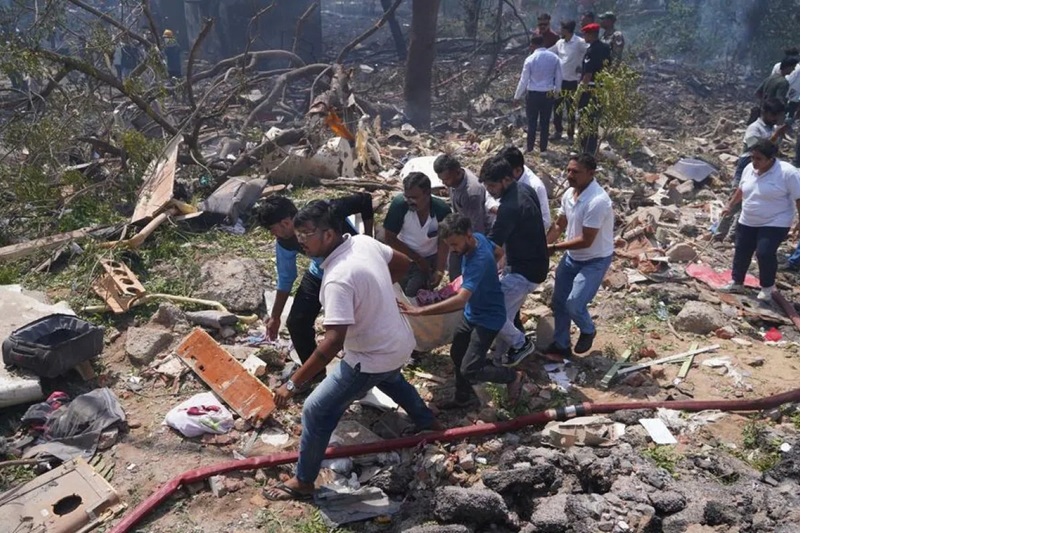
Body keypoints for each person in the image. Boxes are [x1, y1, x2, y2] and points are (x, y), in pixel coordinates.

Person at [262, 200, 439, 502]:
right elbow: (401, 264)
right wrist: (374, 288)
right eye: (299, 234)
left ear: (329, 234)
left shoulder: (337, 279)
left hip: (370, 356)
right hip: (399, 342)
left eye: (306, 234)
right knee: (390, 378)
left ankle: (304, 481)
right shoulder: (362, 242)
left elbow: (332, 342)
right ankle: (427, 421)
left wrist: (293, 384)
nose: (300, 240)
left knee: (316, 410)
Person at [399, 214, 526, 410]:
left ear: (467, 235)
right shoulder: (479, 238)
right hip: (472, 313)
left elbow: (460, 299)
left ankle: (512, 376)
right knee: (457, 353)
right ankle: (463, 397)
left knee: (470, 369)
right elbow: (499, 252)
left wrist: (419, 311)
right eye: (449, 245)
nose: (453, 250)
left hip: (488, 319)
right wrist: (491, 277)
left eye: (455, 244)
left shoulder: (478, 260)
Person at [254, 194, 374, 371]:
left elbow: (364, 200)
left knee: (354, 326)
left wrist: (369, 238)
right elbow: (286, 277)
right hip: (320, 273)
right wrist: (275, 316)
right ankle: (313, 375)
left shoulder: (324, 212)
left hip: (353, 271)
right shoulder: (285, 242)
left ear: (286, 223)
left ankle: (363, 370)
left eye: (273, 229)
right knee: (297, 322)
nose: (273, 235)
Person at [544, 153, 614, 360]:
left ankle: (588, 329)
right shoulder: (569, 194)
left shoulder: (597, 201)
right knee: (559, 301)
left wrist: (555, 247)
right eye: (568, 170)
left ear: (591, 174)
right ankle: (561, 344)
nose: (569, 175)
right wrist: (544, 244)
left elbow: (586, 240)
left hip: (594, 259)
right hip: (572, 257)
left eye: (575, 172)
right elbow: (560, 224)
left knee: (574, 303)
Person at [479, 157, 547, 366]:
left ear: (506, 180)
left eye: (492, 185)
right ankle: (500, 358)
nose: (489, 191)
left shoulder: (509, 207)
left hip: (523, 271)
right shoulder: (525, 189)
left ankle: (521, 344)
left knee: (492, 313)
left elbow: (493, 247)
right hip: (534, 263)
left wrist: (475, 274)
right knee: (505, 314)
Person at [718, 139, 800, 300]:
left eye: (758, 159)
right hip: (748, 218)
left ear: (771, 159)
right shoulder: (749, 169)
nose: (754, 162)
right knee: (742, 251)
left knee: (764, 252)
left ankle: (767, 287)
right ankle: (737, 282)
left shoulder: (787, 173)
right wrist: (730, 206)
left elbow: (800, 198)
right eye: (752, 158)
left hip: (776, 220)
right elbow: (742, 189)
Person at [713, 98, 790, 241]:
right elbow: (755, 148)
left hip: (765, 169)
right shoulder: (755, 128)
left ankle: (733, 236)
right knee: (736, 200)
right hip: (748, 165)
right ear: (765, 113)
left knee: (750, 202)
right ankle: (718, 234)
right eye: (773, 115)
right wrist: (775, 136)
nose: (775, 119)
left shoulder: (770, 128)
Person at [382, 172, 451, 297]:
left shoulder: (441, 210)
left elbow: (444, 241)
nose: (410, 201)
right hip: (404, 255)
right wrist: (418, 259)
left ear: (427, 193)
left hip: (430, 257)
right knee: (400, 292)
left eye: (414, 197)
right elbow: (389, 238)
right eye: (407, 197)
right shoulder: (400, 206)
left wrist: (439, 270)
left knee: (420, 292)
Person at [434, 154, 492, 280]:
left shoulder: (471, 193)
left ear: (457, 172)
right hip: (460, 228)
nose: (444, 183)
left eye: (447, 179)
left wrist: (471, 252)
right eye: (442, 180)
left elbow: (477, 226)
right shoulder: (455, 182)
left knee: (462, 274)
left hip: (472, 235)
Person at [514, 35, 564, 154]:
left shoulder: (530, 59)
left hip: (533, 94)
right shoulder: (554, 58)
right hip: (548, 93)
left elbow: (524, 80)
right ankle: (543, 148)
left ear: (533, 45)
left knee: (532, 121)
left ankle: (530, 148)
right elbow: (559, 78)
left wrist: (517, 96)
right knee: (545, 122)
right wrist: (557, 92)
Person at [498, 146, 552, 232]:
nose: (502, 177)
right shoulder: (504, 177)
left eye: (506, 174)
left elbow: (545, 221)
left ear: (518, 170)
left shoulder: (535, 186)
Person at [577, 23, 611, 155]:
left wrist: (580, 91)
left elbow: (588, 74)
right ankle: (590, 149)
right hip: (601, 88)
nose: (584, 36)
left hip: (589, 89)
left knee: (584, 118)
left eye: (585, 34)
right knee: (594, 120)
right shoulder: (606, 48)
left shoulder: (591, 50)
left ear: (591, 35)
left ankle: (583, 148)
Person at [552, 20, 588, 142]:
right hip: (559, 81)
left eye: (562, 29)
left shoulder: (579, 42)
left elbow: (590, 52)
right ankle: (558, 131)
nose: (560, 31)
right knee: (557, 107)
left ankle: (571, 134)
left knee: (571, 109)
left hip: (572, 81)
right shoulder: (560, 43)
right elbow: (550, 52)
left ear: (567, 30)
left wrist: (583, 67)